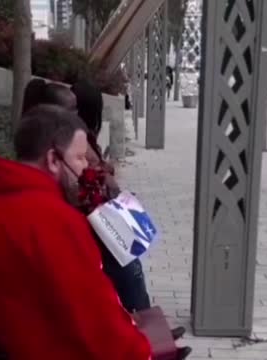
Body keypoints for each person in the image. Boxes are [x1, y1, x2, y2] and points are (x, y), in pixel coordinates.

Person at [0, 105, 152, 360]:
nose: (86, 168)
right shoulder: (53, 219)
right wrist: (142, 352)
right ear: (54, 159)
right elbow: (94, 316)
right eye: (79, 158)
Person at [70, 80, 188, 346]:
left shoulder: (78, 131)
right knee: (126, 265)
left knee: (130, 262)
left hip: (97, 214)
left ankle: (154, 335)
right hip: (91, 218)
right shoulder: (70, 132)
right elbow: (85, 175)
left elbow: (91, 170)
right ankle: (152, 339)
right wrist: (103, 173)